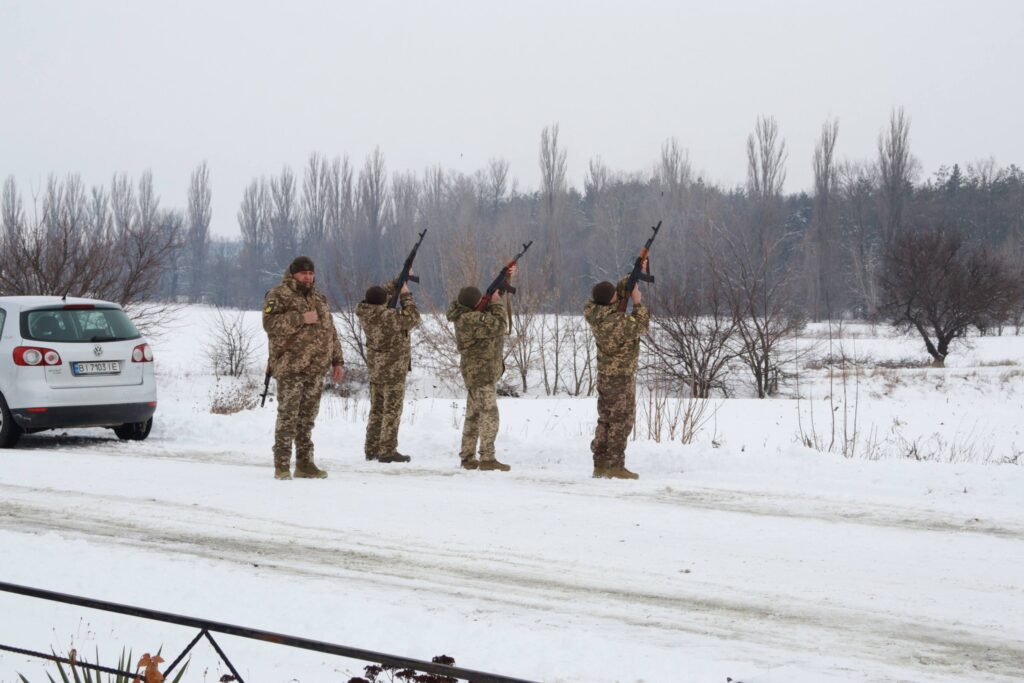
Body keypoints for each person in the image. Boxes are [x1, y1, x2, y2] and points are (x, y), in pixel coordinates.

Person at [262, 256, 344, 480]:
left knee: (307, 419)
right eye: (303, 273)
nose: (308, 277)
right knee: (288, 416)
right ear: (293, 274)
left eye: (310, 273)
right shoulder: (278, 294)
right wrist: (300, 318)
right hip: (291, 366)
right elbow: (269, 324)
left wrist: (337, 361)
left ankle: (305, 464)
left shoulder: (319, 298)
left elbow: (331, 332)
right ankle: (281, 465)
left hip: (315, 368)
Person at [584, 272, 650, 479]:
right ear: (612, 300)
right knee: (621, 420)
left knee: (605, 418)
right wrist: (638, 303)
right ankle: (615, 465)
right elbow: (641, 326)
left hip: (605, 375)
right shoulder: (617, 322)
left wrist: (635, 273)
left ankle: (601, 463)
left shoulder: (595, 311)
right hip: (620, 376)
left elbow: (618, 293)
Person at [446, 280, 513, 472]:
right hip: (481, 373)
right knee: (489, 415)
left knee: (473, 415)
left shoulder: (465, 314)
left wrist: (501, 287)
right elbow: (499, 324)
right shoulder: (470, 319)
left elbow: (489, 320)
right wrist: (497, 302)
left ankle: (467, 457)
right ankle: (487, 458)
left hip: (476, 372)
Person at [356, 275, 421, 463]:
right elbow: (413, 317)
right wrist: (406, 295)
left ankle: (371, 448)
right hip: (393, 370)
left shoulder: (365, 311)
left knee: (376, 410)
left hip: (376, 369)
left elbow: (378, 295)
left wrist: (399, 280)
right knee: (391, 411)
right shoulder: (389, 316)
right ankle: (387, 450)